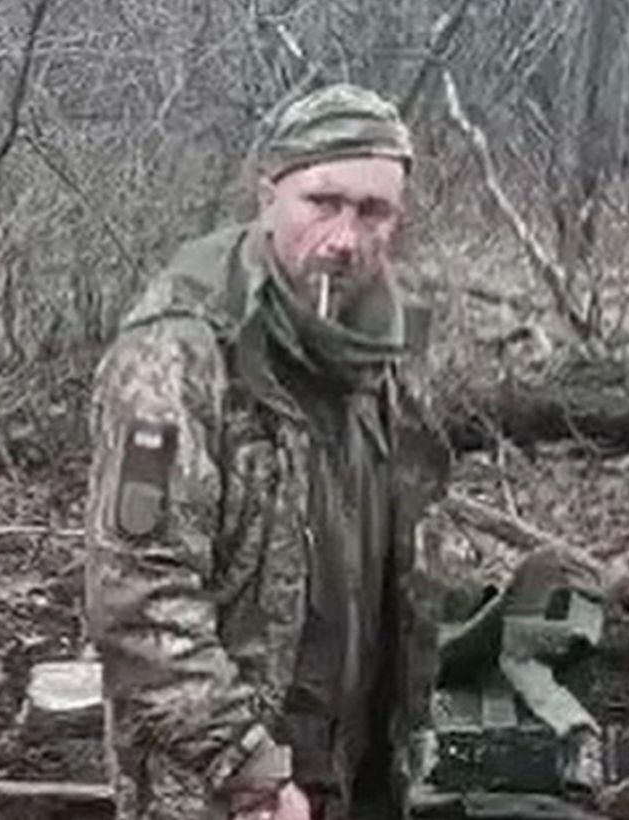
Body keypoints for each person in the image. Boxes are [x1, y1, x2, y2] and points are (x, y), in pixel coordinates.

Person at [84, 83, 451, 820]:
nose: (345, 239)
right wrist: (247, 768)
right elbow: (139, 599)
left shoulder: (384, 346)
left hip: (361, 764)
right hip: (226, 787)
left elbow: (406, 552)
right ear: (268, 196)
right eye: (323, 202)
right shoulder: (180, 353)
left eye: (372, 211)